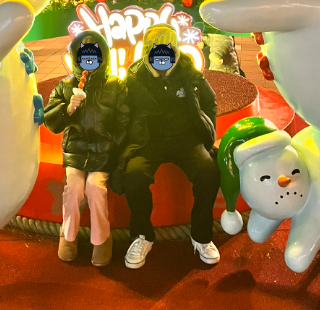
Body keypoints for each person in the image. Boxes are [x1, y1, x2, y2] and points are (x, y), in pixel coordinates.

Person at [119, 23, 220, 269]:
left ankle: (201, 236)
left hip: (185, 138)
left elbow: (210, 101)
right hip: (149, 140)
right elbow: (124, 112)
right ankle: (143, 235)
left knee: (208, 172)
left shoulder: (189, 72)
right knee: (133, 175)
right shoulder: (134, 77)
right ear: (147, 51)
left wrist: (207, 132)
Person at [44, 30, 129, 267]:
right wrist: (68, 109)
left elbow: (124, 121)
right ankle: (68, 236)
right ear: (77, 58)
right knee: (73, 190)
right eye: (84, 56)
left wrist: (111, 145)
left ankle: (101, 239)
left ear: (102, 57)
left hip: (104, 153)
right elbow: (51, 122)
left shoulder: (115, 85)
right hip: (76, 151)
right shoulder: (65, 86)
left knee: (95, 188)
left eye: (94, 56)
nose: (89, 61)